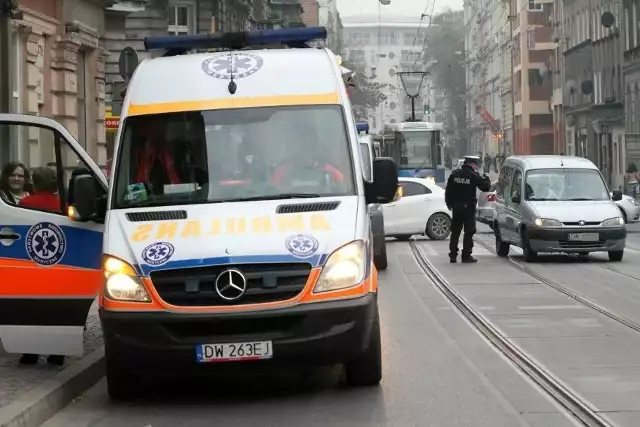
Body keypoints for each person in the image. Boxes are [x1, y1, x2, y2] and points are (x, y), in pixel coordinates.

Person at [445, 155, 491, 263]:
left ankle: (453, 255)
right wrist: (487, 177)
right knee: (469, 232)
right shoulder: (473, 176)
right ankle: (466, 255)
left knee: (455, 232)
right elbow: (485, 187)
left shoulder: (454, 174)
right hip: (468, 209)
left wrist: (449, 204)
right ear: (473, 164)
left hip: (456, 208)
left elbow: (448, 191)